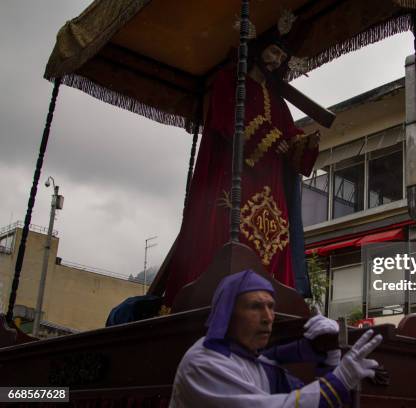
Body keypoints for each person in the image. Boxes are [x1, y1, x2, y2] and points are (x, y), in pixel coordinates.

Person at [163, 33, 319, 307]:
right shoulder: (230, 82)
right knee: (228, 235)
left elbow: (288, 131)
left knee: (272, 246)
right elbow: (227, 122)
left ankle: (271, 304)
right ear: (258, 49)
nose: (276, 60)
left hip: (271, 191)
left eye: (281, 57)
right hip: (236, 178)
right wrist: (274, 139)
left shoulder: (276, 100)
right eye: (273, 51)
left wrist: (304, 142)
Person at [169, 269, 383, 407]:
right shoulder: (204, 362)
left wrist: (330, 356)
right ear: (227, 314)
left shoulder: (257, 362)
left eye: (271, 307)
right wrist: (341, 379)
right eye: (255, 307)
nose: (268, 318)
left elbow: (302, 396)